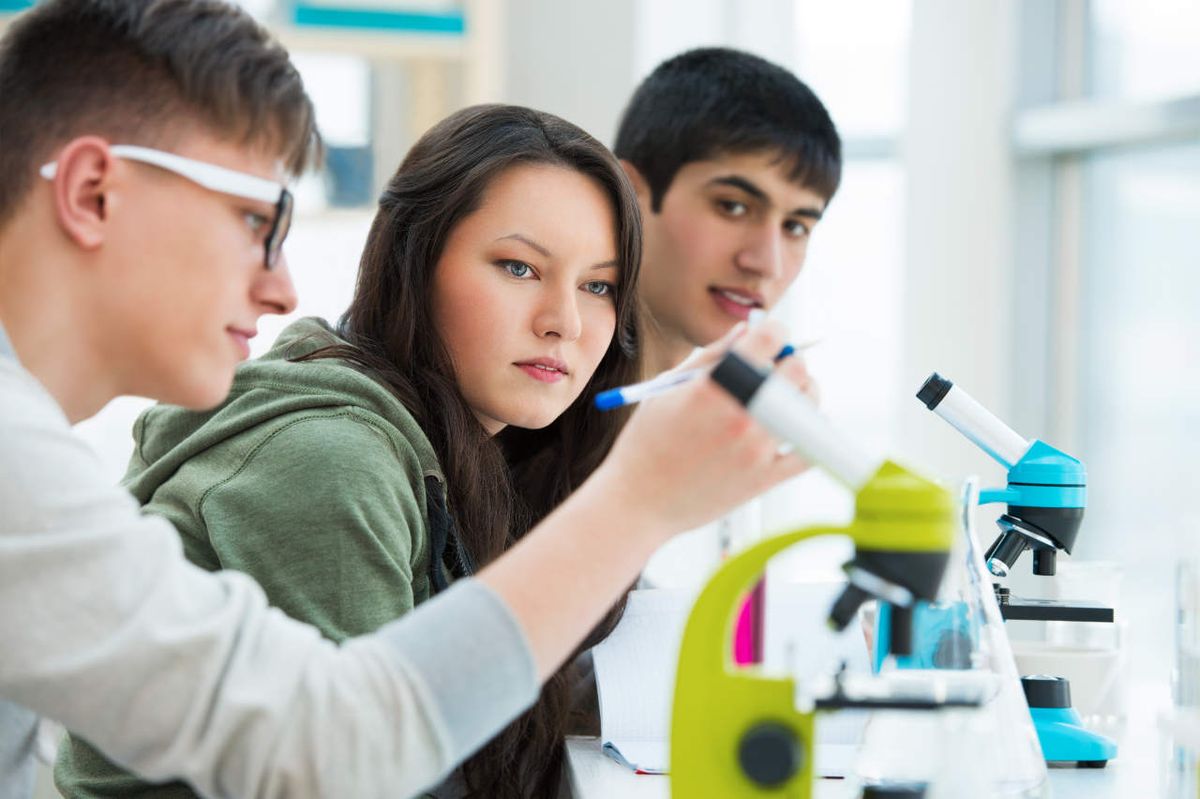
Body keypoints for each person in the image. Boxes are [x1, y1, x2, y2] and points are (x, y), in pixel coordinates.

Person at [0, 2, 809, 797]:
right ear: (93, 193)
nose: (283, 288)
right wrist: (642, 496)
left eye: (599, 286)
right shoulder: (311, 454)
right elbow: (336, 754)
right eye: (253, 220)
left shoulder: (35, 465)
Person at [60, 101, 647, 799]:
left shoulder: (485, 457)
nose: (566, 322)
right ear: (413, 262)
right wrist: (645, 500)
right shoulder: (332, 458)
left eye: (598, 285)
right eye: (519, 267)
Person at [614, 46, 843, 380]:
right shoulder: (523, 414)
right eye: (733, 207)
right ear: (630, 193)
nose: (767, 264)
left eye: (794, 226)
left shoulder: (731, 422)